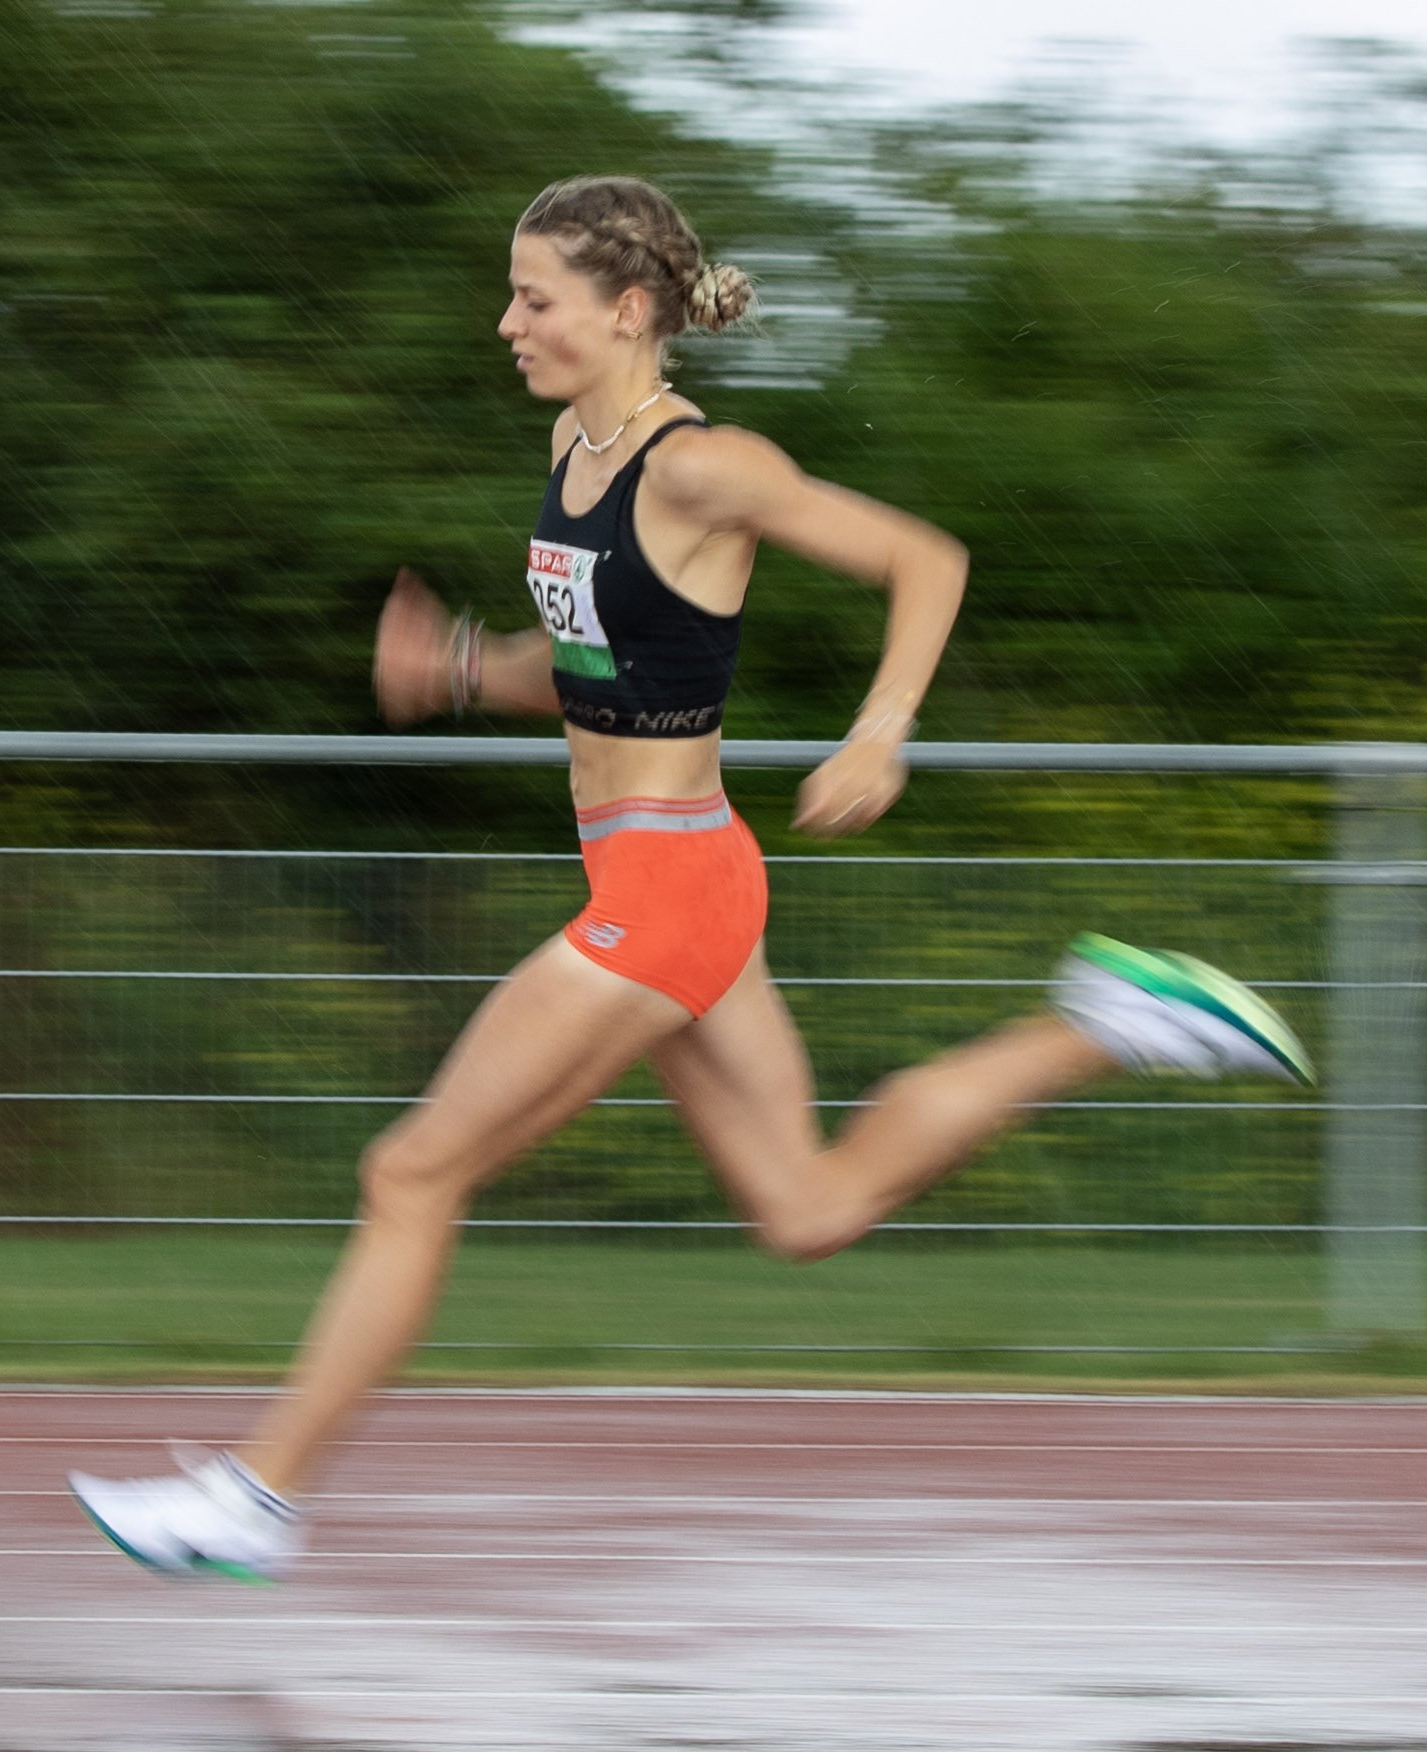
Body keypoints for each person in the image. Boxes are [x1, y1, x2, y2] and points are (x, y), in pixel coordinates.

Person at [68, 176, 1312, 1581]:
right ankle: (1102, 1022)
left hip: (664, 892)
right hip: (688, 878)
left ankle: (257, 1498)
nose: (507, 323)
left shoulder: (701, 468)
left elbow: (923, 557)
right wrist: (468, 671)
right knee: (808, 1211)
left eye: (535, 298)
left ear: (630, 308)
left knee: (411, 1170)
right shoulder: (572, 449)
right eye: (513, 294)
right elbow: (602, 669)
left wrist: (879, 731)